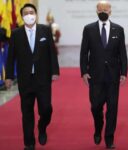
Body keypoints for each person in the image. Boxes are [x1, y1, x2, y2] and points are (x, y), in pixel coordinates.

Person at [5, 3, 59, 150]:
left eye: (32, 12)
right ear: (22, 17)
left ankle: (42, 127)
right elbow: (11, 57)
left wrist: (55, 71)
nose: (29, 15)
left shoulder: (45, 30)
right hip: (25, 80)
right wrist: (9, 76)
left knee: (46, 109)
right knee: (27, 112)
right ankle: (29, 143)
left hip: (43, 79)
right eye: (26, 13)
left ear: (36, 14)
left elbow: (52, 52)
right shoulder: (16, 34)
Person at [80, 0, 128, 149]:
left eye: (106, 9)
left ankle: (109, 139)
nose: (103, 12)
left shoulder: (118, 29)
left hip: (113, 76)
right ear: (96, 10)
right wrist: (84, 71)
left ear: (110, 11)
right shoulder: (88, 29)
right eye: (100, 9)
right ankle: (98, 127)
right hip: (95, 76)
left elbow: (122, 53)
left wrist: (124, 72)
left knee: (112, 108)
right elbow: (84, 52)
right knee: (95, 107)